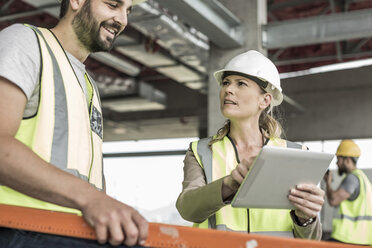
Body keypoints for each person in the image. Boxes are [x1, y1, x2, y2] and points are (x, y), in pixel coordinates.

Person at [0, 0, 148, 247]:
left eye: (128, 11)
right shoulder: (26, 41)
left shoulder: (88, 84)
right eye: (113, 5)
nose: (123, 20)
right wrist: (90, 199)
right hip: (19, 230)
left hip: (72, 233)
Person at [176, 50, 324, 239]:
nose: (229, 89)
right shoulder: (202, 151)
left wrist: (306, 219)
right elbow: (188, 210)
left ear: (265, 100)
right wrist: (228, 184)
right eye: (226, 83)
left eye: (241, 84)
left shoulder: (297, 154)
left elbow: (311, 241)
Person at [324, 140, 372, 245]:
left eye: (339, 159)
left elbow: (333, 200)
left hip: (348, 238)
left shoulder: (352, 178)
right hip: (364, 239)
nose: (337, 163)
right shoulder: (363, 179)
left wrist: (328, 182)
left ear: (348, 160)